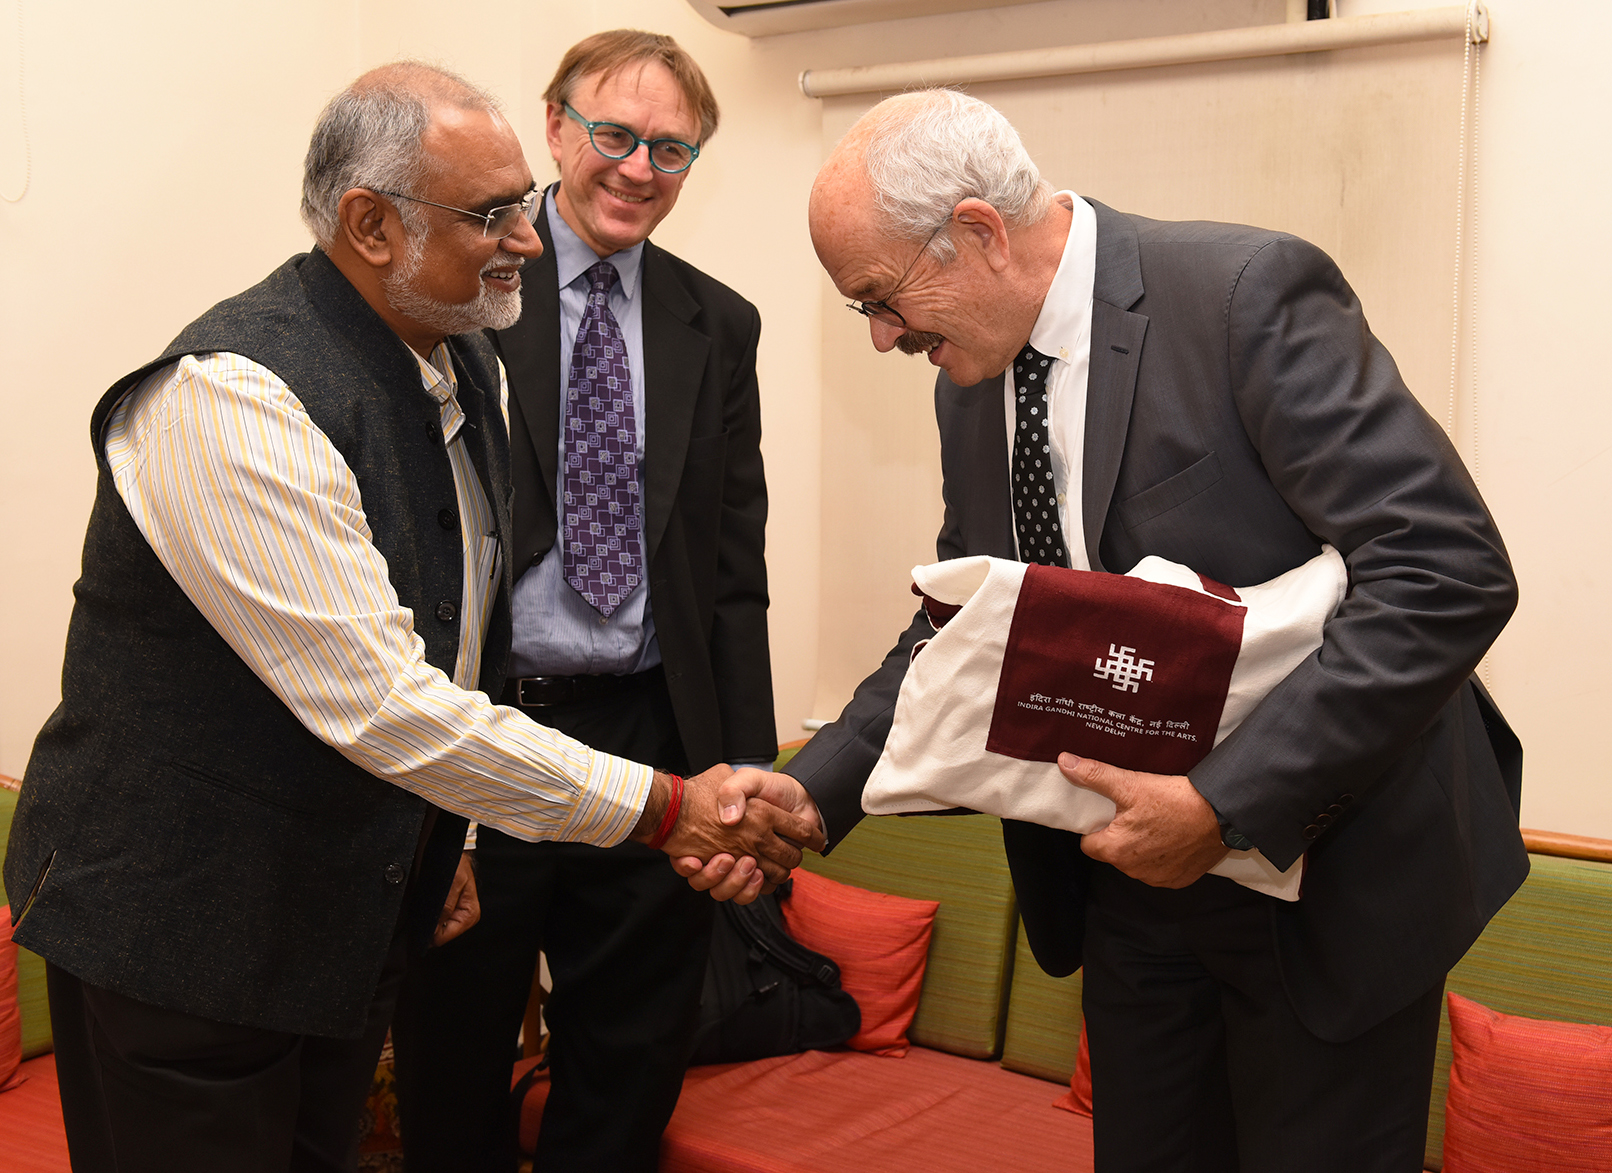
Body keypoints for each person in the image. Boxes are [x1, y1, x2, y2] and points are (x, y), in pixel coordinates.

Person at [2, 62, 819, 1173]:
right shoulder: (232, 399)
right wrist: (666, 808)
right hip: (180, 933)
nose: (527, 238)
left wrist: (456, 837)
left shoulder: (459, 367)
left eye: (520, 206)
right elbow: (383, 700)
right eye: (491, 215)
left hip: (340, 919)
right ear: (371, 226)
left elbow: (462, 628)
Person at [756, 89, 1527, 1172]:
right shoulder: (969, 381)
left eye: (881, 299)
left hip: (1326, 876)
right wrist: (816, 786)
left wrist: (1221, 806)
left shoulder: (1244, 295)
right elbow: (969, 621)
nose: (885, 336)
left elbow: (1444, 569)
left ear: (978, 232)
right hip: (1127, 889)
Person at [389, 31, 823, 1173]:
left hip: (652, 742)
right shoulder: (461, 285)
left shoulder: (717, 324)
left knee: (628, 1069)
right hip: (486, 736)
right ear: (554, 127)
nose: (639, 169)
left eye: (671, 149)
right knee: (451, 1058)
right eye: (615, 135)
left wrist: (740, 777)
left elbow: (731, 569)